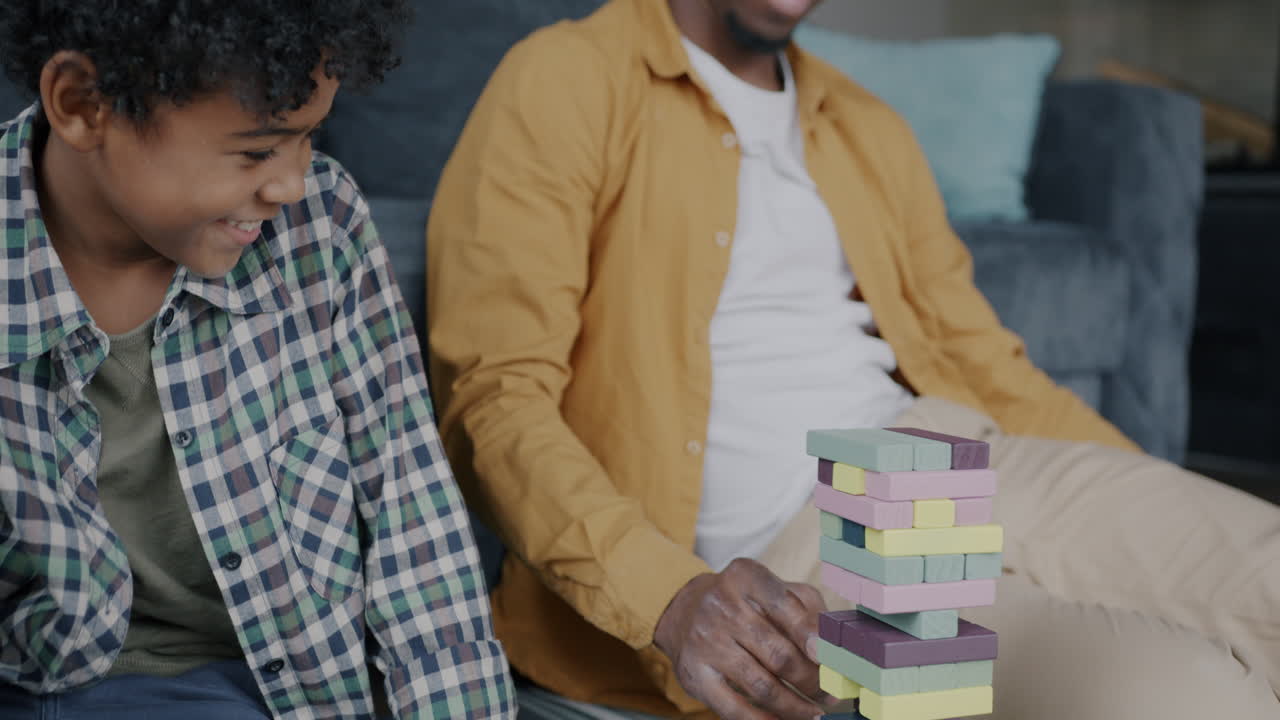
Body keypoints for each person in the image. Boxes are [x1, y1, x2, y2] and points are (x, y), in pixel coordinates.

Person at [427, 0, 1280, 719]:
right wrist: (667, 595)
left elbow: (982, 360)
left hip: (960, 450)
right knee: (1193, 696)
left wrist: (1142, 525)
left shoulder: (866, 125)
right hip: (806, 548)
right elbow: (494, 398)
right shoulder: (565, 77)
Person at [0, 2, 514, 718]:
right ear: (84, 105)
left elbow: (410, 510)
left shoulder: (323, 223)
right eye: (256, 151)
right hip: (63, 686)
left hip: (308, 686)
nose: (290, 184)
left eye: (308, 140)